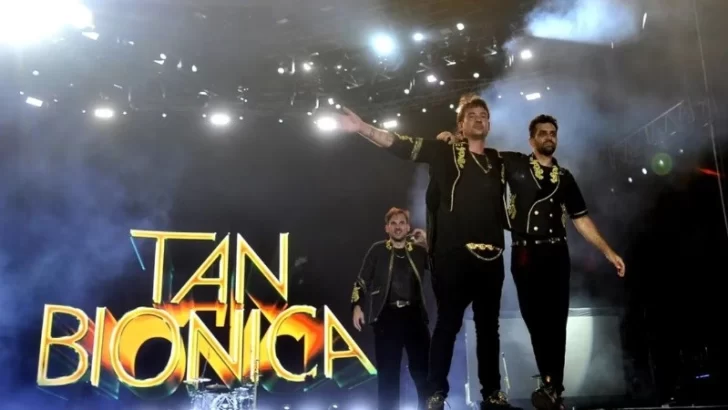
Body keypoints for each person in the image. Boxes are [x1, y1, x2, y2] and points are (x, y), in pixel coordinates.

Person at [336, 96, 518, 410]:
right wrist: (363, 128)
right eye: (472, 115)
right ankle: (436, 393)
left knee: (489, 327)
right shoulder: (444, 152)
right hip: (453, 256)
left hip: (492, 257)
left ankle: (492, 393)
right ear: (460, 125)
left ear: (489, 123)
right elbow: (401, 144)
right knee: (448, 324)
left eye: (483, 115)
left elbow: (534, 170)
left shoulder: (498, 161)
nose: (479, 119)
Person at [438, 114, 626, 410]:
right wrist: (455, 140)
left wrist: (608, 251)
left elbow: (581, 219)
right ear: (531, 140)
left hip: (556, 252)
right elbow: (479, 152)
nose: (549, 137)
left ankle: (552, 387)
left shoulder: (565, 177)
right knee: (535, 321)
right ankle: (550, 384)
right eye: (543, 133)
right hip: (525, 253)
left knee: (556, 322)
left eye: (552, 133)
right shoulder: (513, 163)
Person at [350, 207, 431, 410]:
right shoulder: (377, 250)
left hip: (414, 316)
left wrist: (427, 243)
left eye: (402, 223)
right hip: (386, 317)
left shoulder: (419, 251)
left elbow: (442, 266)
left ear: (408, 227)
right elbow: (361, 281)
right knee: (388, 374)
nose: (398, 227)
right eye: (393, 223)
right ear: (386, 228)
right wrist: (357, 306)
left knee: (423, 371)